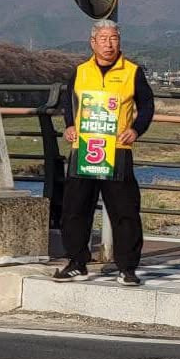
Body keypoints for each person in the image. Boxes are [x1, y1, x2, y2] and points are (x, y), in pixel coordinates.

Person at [54, 19, 154, 286]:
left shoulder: (132, 71)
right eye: (104, 39)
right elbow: (69, 105)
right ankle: (76, 262)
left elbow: (146, 105)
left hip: (117, 150)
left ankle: (128, 267)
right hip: (84, 150)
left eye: (114, 39)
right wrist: (70, 127)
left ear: (119, 41)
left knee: (125, 211)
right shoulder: (80, 71)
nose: (109, 44)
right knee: (75, 209)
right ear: (93, 42)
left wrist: (135, 129)